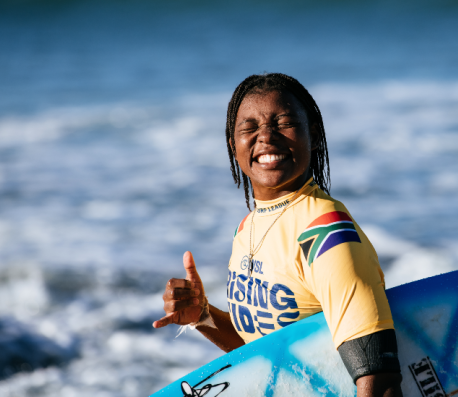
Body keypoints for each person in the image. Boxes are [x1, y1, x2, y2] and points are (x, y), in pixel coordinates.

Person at [153, 73, 403, 397]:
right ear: (234, 145)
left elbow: (379, 380)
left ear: (311, 134)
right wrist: (203, 316)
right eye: (250, 127)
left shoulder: (325, 233)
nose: (266, 137)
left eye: (282, 122)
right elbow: (266, 353)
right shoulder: (247, 229)